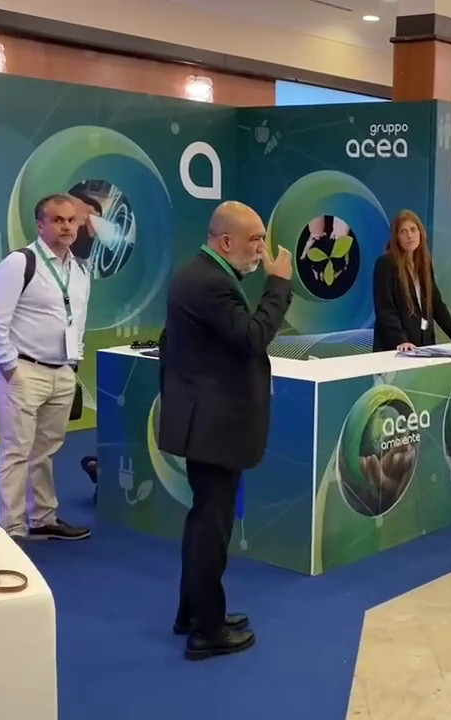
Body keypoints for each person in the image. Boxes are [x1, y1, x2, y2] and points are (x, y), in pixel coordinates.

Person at [158, 201, 294, 661]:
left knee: (205, 520)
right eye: (255, 239)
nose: (262, 248)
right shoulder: (212, 283)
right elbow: (253, 337)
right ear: (226, 241)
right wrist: (278, 284)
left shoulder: (201, 275)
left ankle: (194, 612)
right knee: (211, 526)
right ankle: (207, 629)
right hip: (213, 427)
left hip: (207, 423)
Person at [0, 193, 92, 541]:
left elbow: (76, 320)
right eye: (58, 220)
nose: (66, 227)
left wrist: (72, 363)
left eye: (71, 220)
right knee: (17, 452)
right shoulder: (20, 263)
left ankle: (42, 517)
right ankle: (11, 529)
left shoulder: (79, 270)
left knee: (45, 451)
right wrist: (9, 366)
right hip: (24, 370)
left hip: (62, 371)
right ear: (41, 225)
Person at [372, 210, 451, 352]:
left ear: (420, 233)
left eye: (413, 229)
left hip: (424, 346)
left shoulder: (424, 265)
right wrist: (401, 340)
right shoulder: (385, 264)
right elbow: (386, 310)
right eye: (403, 232)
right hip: (396, 349)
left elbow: (436, 305)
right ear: (397, 237)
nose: (409, 235)